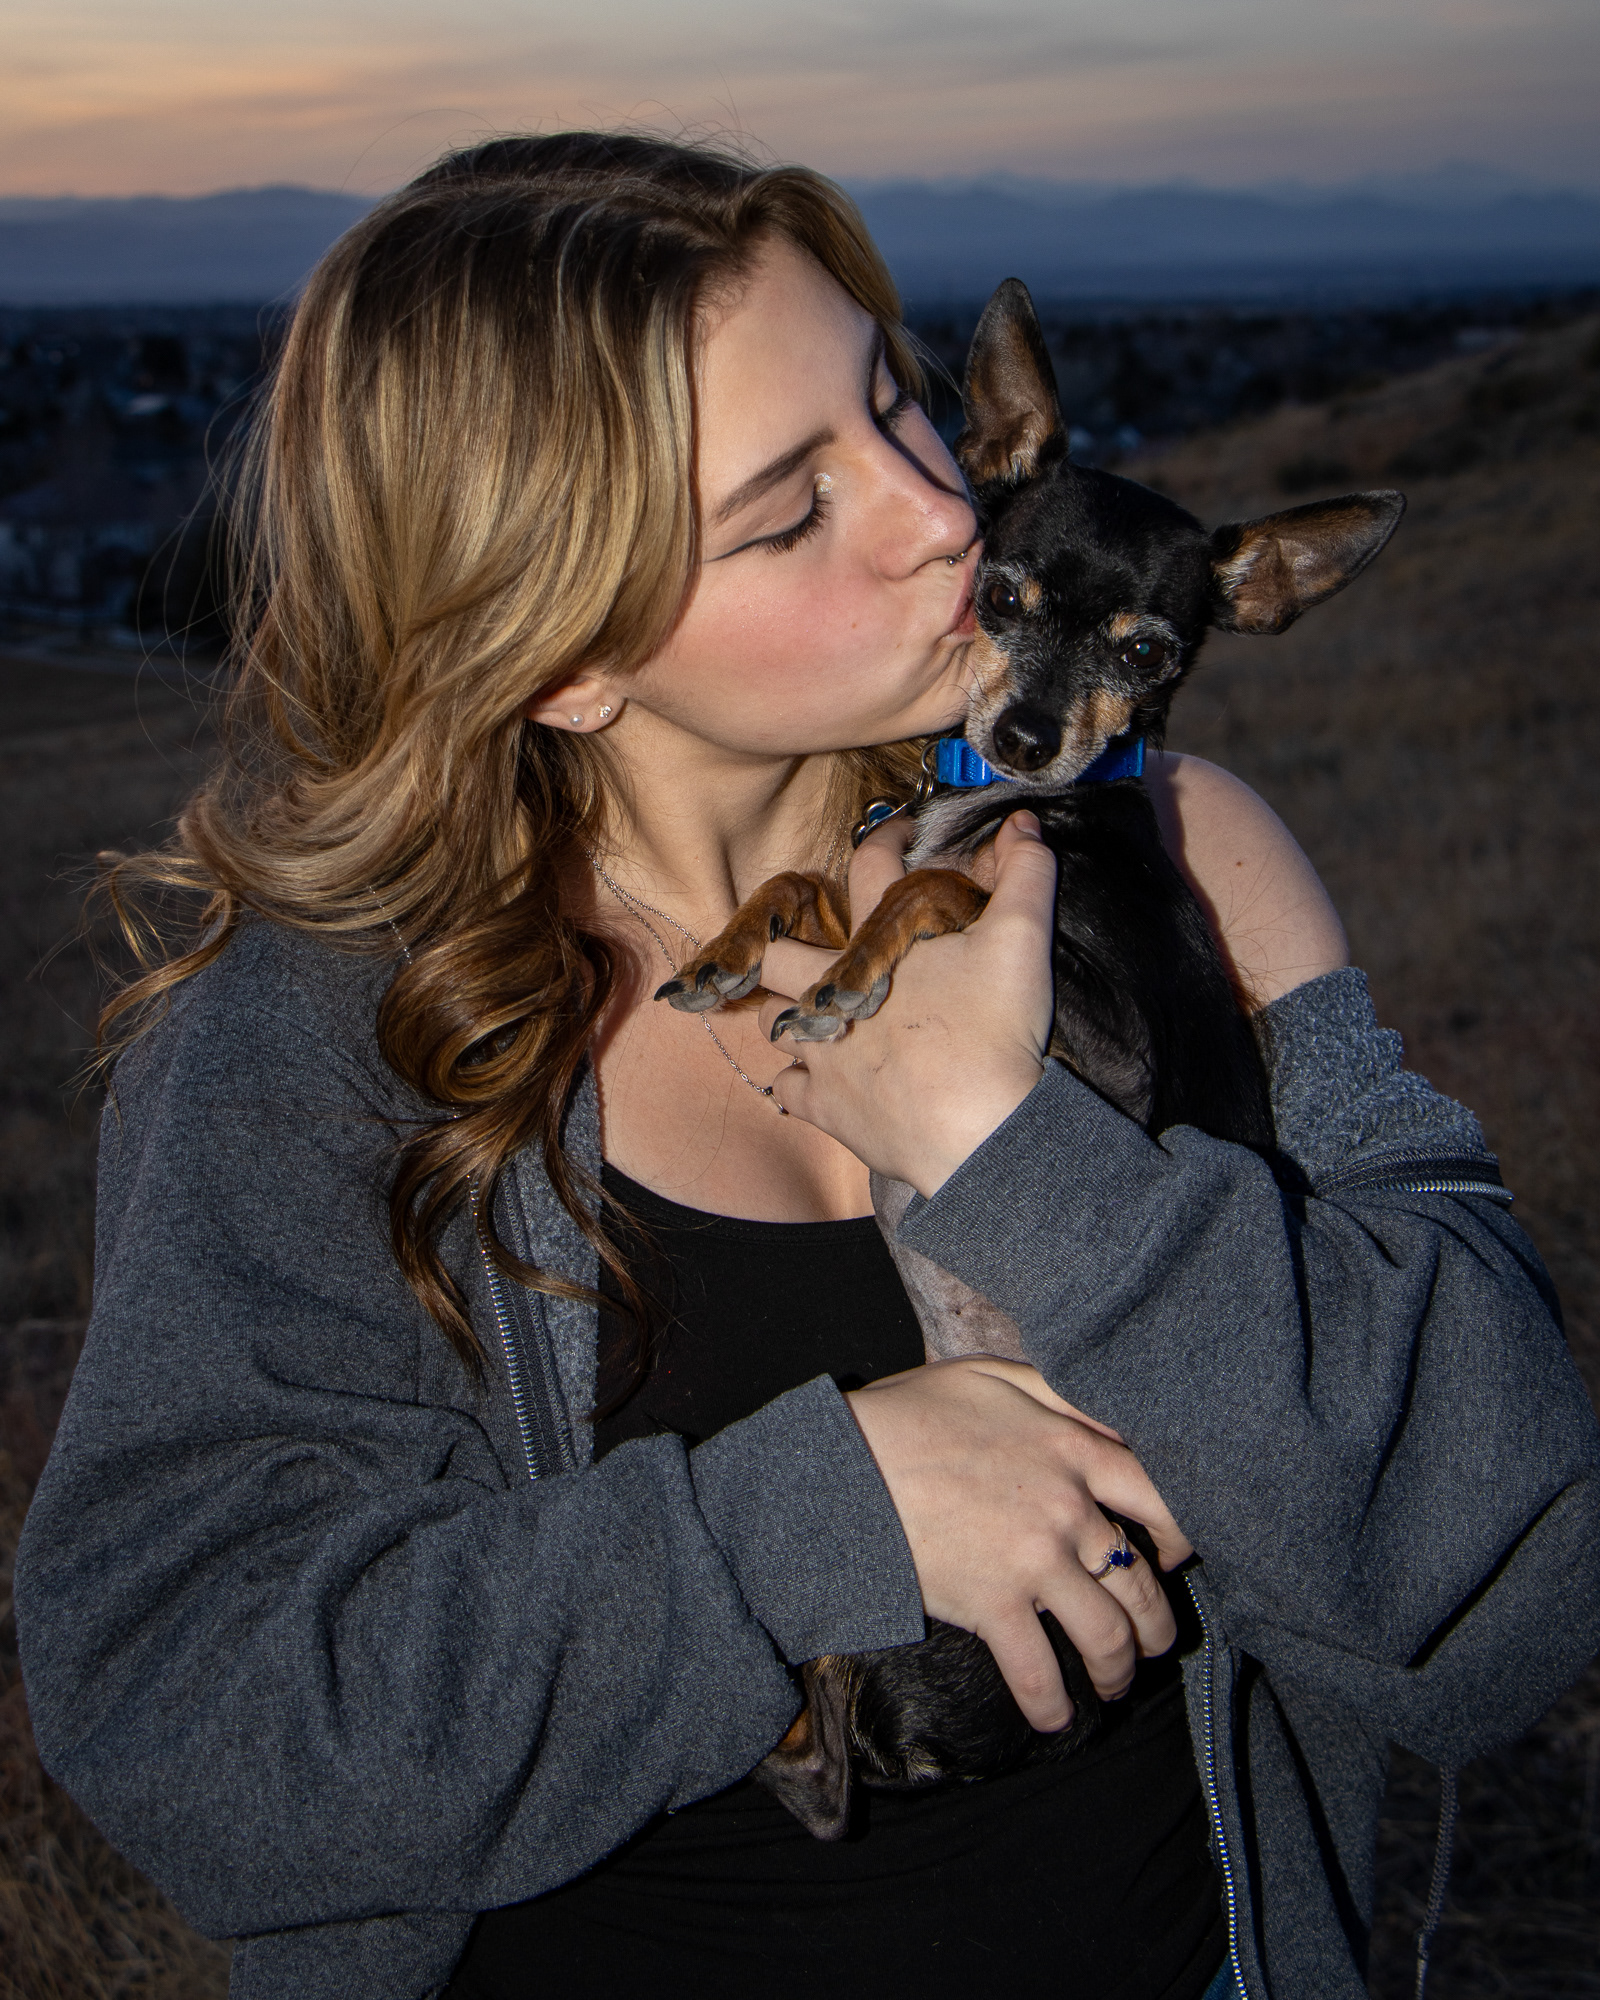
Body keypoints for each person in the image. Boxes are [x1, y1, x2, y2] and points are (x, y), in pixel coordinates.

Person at [15, 134, 1600, 2000]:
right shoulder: (325, 1042)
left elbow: (1507, 1596)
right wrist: (818, 1521)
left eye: (899, 404)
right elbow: (194, 1739)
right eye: (790, 509)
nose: (943, 516)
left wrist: (1011, 1147)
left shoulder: (1191, 856)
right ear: (563, 657)